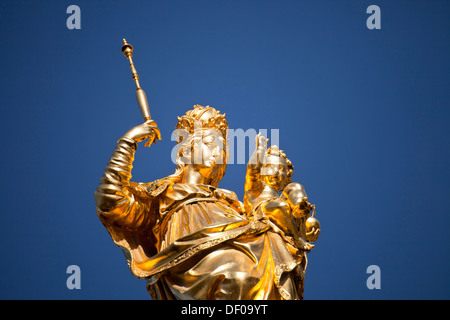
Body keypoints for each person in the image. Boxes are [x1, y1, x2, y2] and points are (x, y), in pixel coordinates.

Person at [95, 105, 307, 299]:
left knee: (275, 270)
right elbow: (110, 199)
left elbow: (261, 213)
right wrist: (128, 142)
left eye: (223, 148)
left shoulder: (231, 203)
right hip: (193, 263)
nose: (218, 152)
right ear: (186, 151)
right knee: (238, 278)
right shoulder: (163, 195)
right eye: (209, 144)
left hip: (243, 246)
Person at [244, 133, 315, 251]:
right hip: (260, 212)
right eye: (270, 166)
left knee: (295, 187)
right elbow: (253, 169)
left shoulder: (285, 195)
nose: (276, 172)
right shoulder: (256, 186)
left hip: (284, 213)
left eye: (281, 169)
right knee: (280, 206)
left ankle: (300, 210)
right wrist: (260, 148)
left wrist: (308, 233)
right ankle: (297, 238)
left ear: (286, 177)